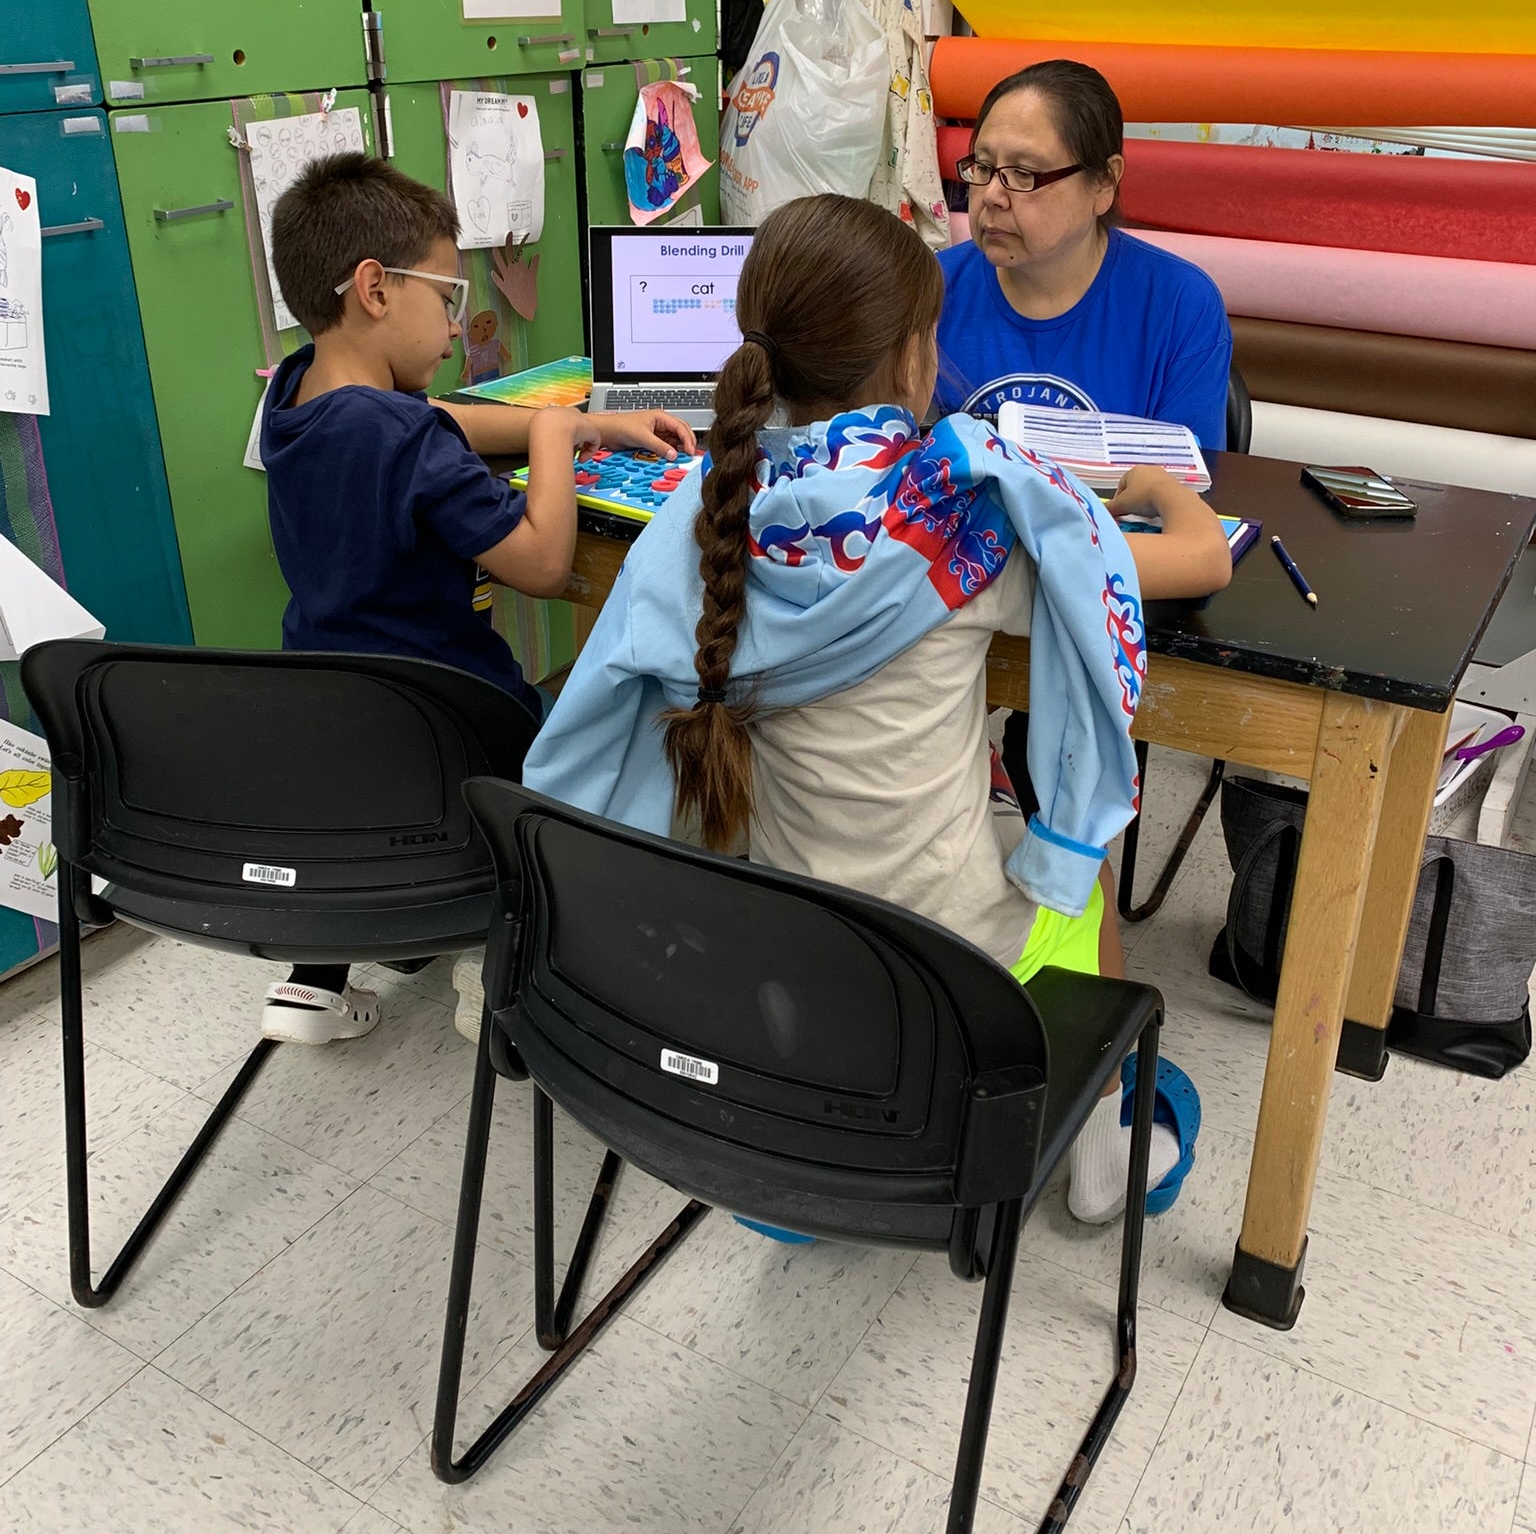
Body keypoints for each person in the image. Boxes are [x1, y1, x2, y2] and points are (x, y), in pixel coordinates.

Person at [524, 196, 1232, 1224]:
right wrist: (1161, 491)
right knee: (1086, 874)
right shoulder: (963, 510)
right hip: (950, 959)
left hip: (785, 947)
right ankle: (1101, 1136)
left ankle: (808, 1156)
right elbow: (1195, 559)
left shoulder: (696, 513)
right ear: (913, 359)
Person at [256, 151, 693, 1044]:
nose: (458, 329)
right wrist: (560, 445)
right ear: (376, 289)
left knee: (381, 772)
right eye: (447, 297)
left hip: (336, 716)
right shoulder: (404, 440)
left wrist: (575, 417)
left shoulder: (300, 394)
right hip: (460, 722)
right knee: (601, 728)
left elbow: (435, 418)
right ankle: (500, 948)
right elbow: (537, 562)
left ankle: (319, 975)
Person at [936, 59, 1231, 453]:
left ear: (1104, 183)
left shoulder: (1180, 305)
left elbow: (1188, 495)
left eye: (1024, 173)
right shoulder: (932, 289)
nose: (991, 195)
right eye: (983, 166)